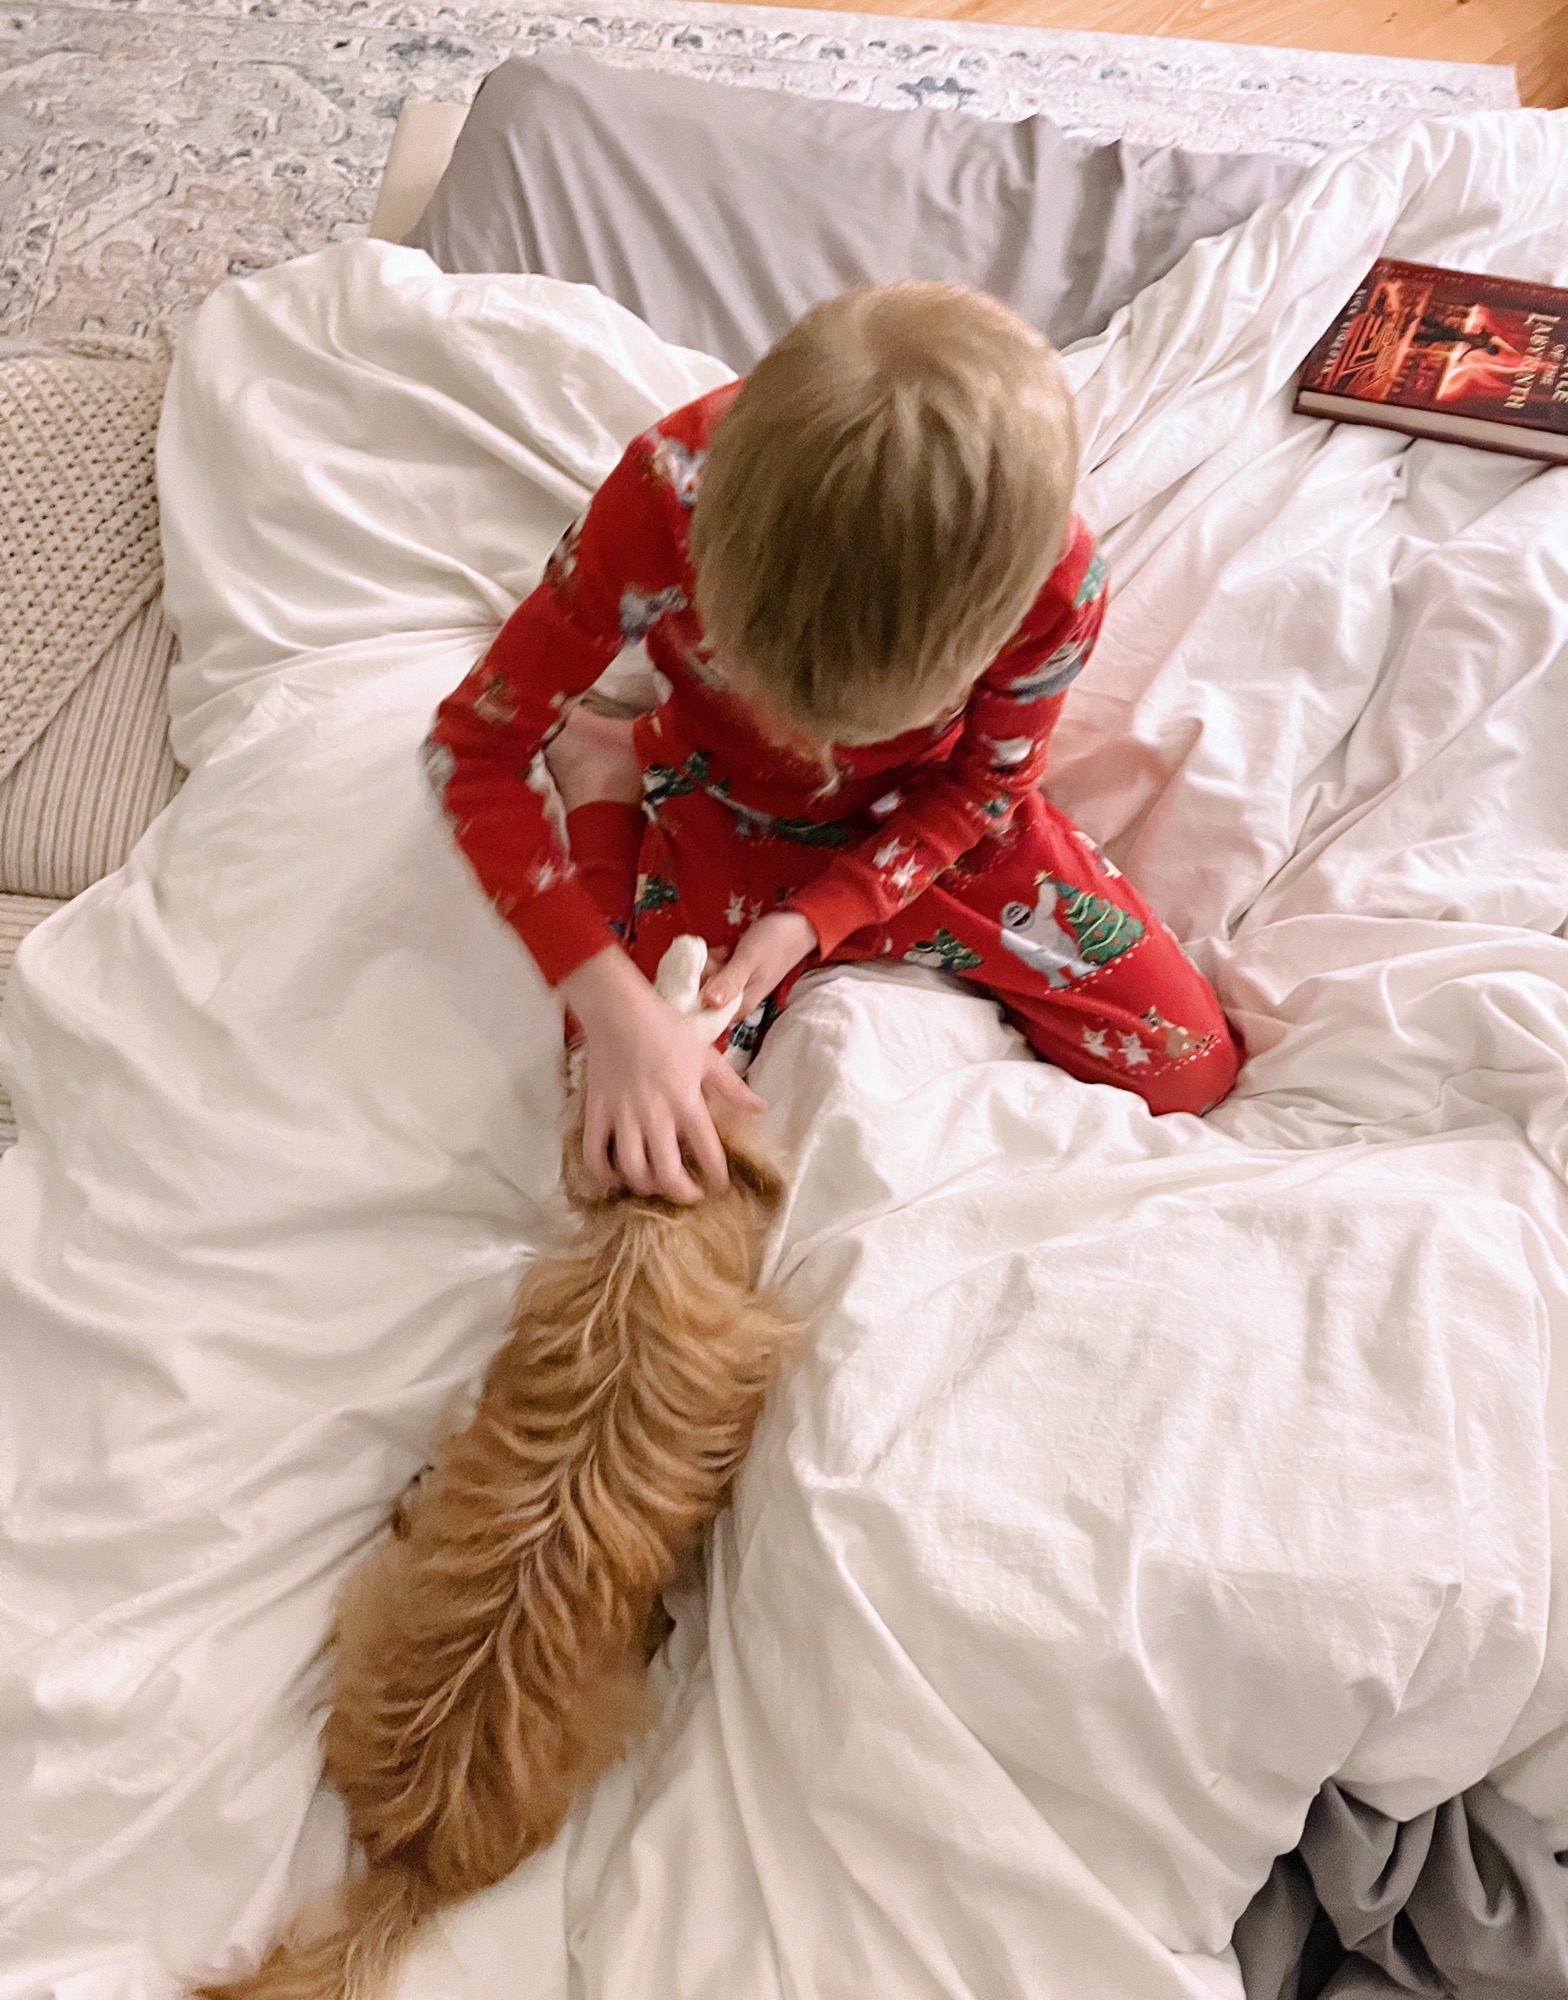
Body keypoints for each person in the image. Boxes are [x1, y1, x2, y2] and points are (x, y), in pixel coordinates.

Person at [425, 282, 1240, 1205]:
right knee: (639, 1133)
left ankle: (638, 800)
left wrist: (812, 922)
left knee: (1190, 1068)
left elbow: (989, 786)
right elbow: (473, 748)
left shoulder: (1055, 587)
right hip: (720, 790)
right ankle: (606, 772)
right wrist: (612, 1009)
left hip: (923, 820)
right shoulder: (665, 493)